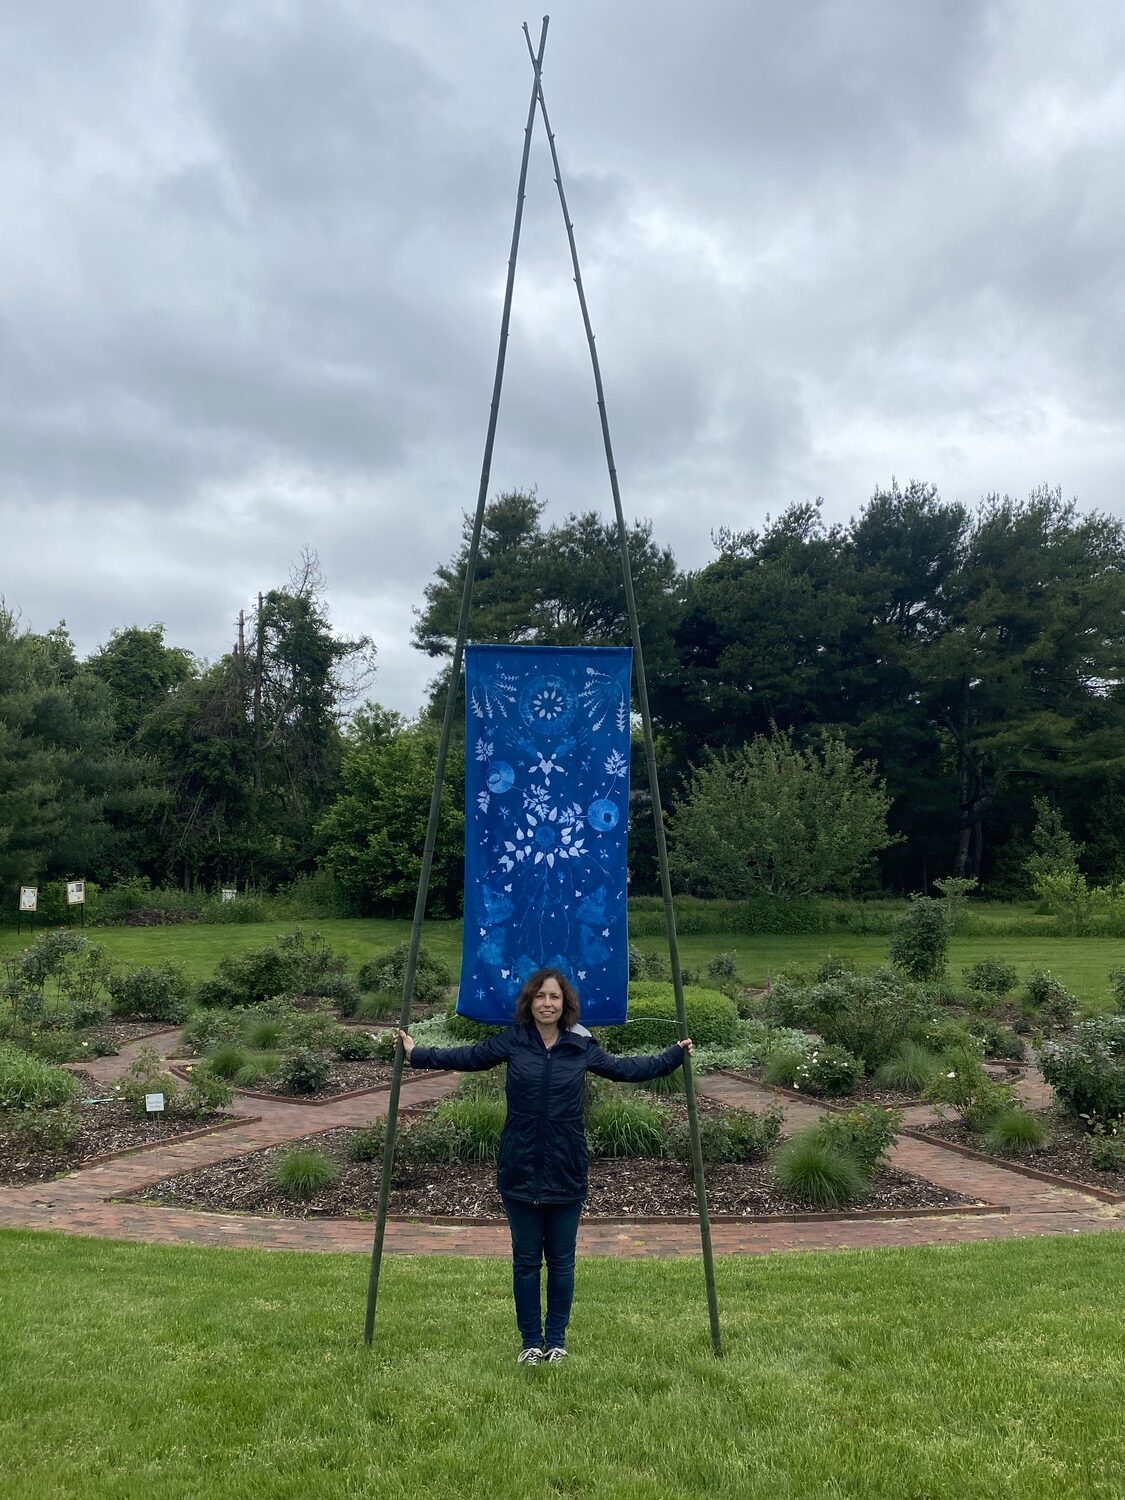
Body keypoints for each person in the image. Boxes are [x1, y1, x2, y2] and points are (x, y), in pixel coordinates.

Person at [398, 966, 693, 1367]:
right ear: (529, 1003)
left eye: (554, 997)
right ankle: (530, 1343)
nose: (547, 1003)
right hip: (519, 1167)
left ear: (565, 1003)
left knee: (561, 1261)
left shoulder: (580, 1047)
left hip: (566, 1167)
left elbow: (627, 1069)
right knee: (524, 1263)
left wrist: (673, 1056)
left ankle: (556, 1341)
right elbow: (467, 1058)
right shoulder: (513, 1042)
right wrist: (417, 1054)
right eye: (540, 996)